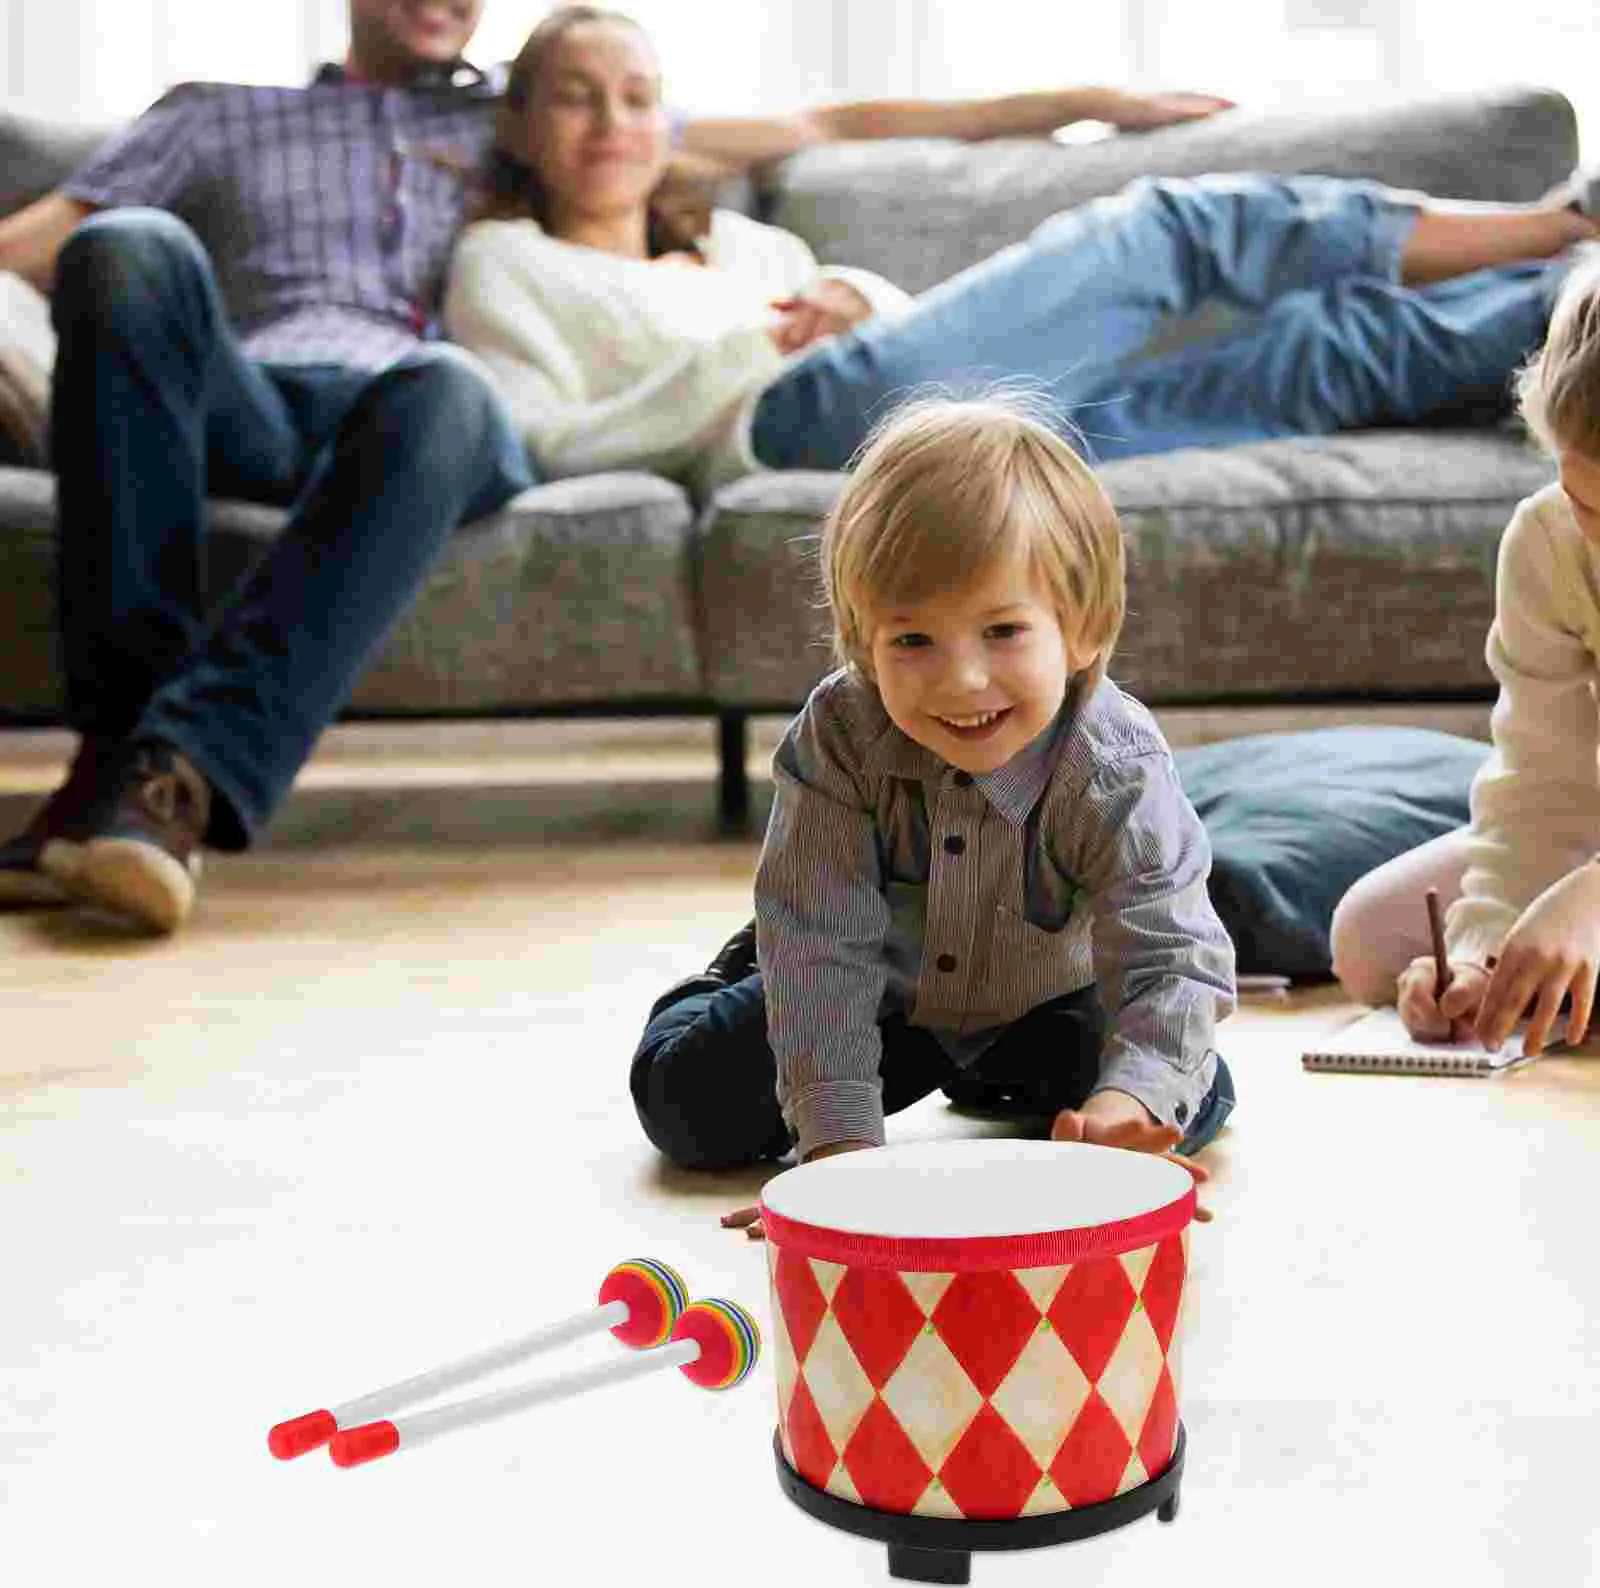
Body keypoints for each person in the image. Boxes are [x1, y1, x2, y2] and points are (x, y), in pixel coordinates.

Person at [0, 0, 1234, 933]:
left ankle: (165, 779)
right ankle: (124, 772)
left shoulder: (515, 116)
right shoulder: (214, 113)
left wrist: (1085, 98)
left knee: (440, 386)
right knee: (130, 247)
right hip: (257, 396)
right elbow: (31, 247)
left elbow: (829, 124)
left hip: (426, 419)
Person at [445, 2, 1600, 508]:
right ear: (519, 124)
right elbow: (531, 442)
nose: (611, 125)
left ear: (669, 121)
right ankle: (1563, 221)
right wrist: (737, 357)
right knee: (1169, 230)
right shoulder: (506, 262)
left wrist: (858, 295)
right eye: (576, 100)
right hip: (790, 424)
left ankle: (1571, 292)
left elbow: (904, 338)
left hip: (945, 434)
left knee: (1310, 356)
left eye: (637, 98)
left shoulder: (746, 243)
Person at [630, 391, 1239, 1219]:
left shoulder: (1114, 763)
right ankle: (733, 970)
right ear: (864, 642)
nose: (962, 681)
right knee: (687, 1108)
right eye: (913, 640)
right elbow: (822, 952)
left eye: (1003, 632)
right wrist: (840, 1169)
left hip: (1043, 999)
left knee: (1184, 1099)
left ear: (1083, 628)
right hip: (879, 990)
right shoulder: (842, 733)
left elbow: (1171, 956)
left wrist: (1125, 1109)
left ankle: (1008, 1083)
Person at [1329, 256, 1600, 1061]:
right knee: (1369, 937)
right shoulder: (1550, 539)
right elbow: (1543, 778)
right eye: (1588, 500)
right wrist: (1485, 953)